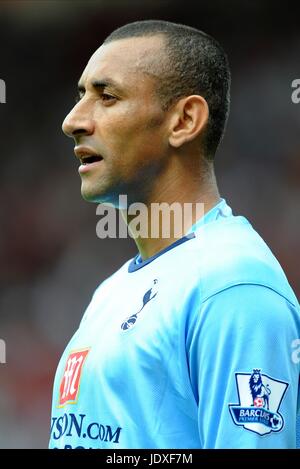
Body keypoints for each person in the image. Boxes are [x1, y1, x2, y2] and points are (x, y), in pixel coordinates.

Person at [49, 20, 300, 449]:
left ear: (184, 120)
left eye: (107, 97)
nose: (73, 121)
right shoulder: (111, 291)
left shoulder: (233, 286)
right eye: (81, 96)